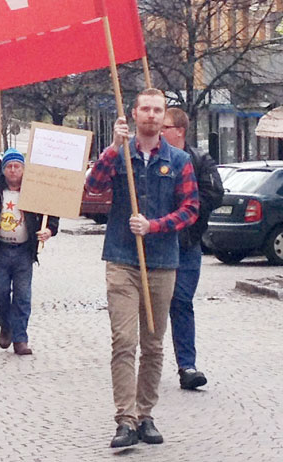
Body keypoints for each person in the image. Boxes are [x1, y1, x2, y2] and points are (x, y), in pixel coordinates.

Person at [85, 88, 199, 448]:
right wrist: (111, 148)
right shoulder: (119, 155)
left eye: (157, 110)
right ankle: (125, 418)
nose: (151, 115)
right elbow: (93, 186)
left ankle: (146, 413)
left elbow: (191, 208)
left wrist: (156, 225)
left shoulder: (178, 160)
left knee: (153, 343)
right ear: (134, 114)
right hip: (122, 258)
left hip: (162, 261)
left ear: (164, 117)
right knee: (124, 341)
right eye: (145, 109)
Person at [0, 148, 57, 355]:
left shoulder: (34, 194)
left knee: (23, 296)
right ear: (3, 169)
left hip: (24, 252)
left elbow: (50, 216)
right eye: (9, 166)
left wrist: (49, 230)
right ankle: (5, 325)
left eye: (17, 166)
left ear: (24, 170)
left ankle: (20, 338)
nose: (13, 170)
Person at [161, 107, 223, 391]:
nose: (160, 132)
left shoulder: (200, 159)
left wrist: (189, 214)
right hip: (156, 242)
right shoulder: (153, 158)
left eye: (165, 127)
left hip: (187, 242)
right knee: (152, 305)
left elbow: (214, 193)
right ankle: (150, 359)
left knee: (181, 300)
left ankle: (187, 365)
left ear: (179, 131)